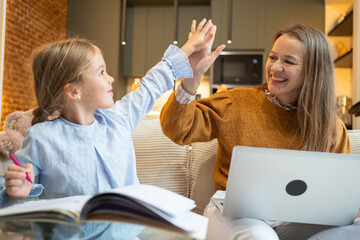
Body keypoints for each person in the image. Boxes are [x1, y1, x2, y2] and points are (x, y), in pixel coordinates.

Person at [1, 19, 224, 239]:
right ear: (74, 92)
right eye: (101, 72)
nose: (111, 79)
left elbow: (151, 84)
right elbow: (19, 206)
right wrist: (17, 193)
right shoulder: (41, 137)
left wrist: (188, 49)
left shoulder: (118, 119)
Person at [160, 23, 360, 240]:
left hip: (294, 220)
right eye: (273, 57)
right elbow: (177, 130)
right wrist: (192, 78)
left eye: (288, 61)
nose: (275, 68)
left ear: (313, 71)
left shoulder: (330, 128)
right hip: (234, 214)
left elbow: (339, 198)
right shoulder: (237, 103)